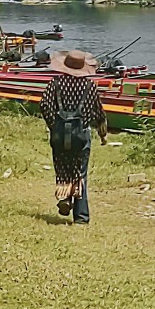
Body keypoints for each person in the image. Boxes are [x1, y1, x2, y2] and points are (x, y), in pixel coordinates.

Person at [39, 49, 109, 224]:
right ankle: (81, 217)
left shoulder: (55, 83)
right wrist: (102, 134)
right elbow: (99, 112)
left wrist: (54, 125)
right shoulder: (89, 86)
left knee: (62, 167)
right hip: (81, 134)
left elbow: (44, 105)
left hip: (60, 134)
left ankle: (64, 198)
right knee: (80, 172)